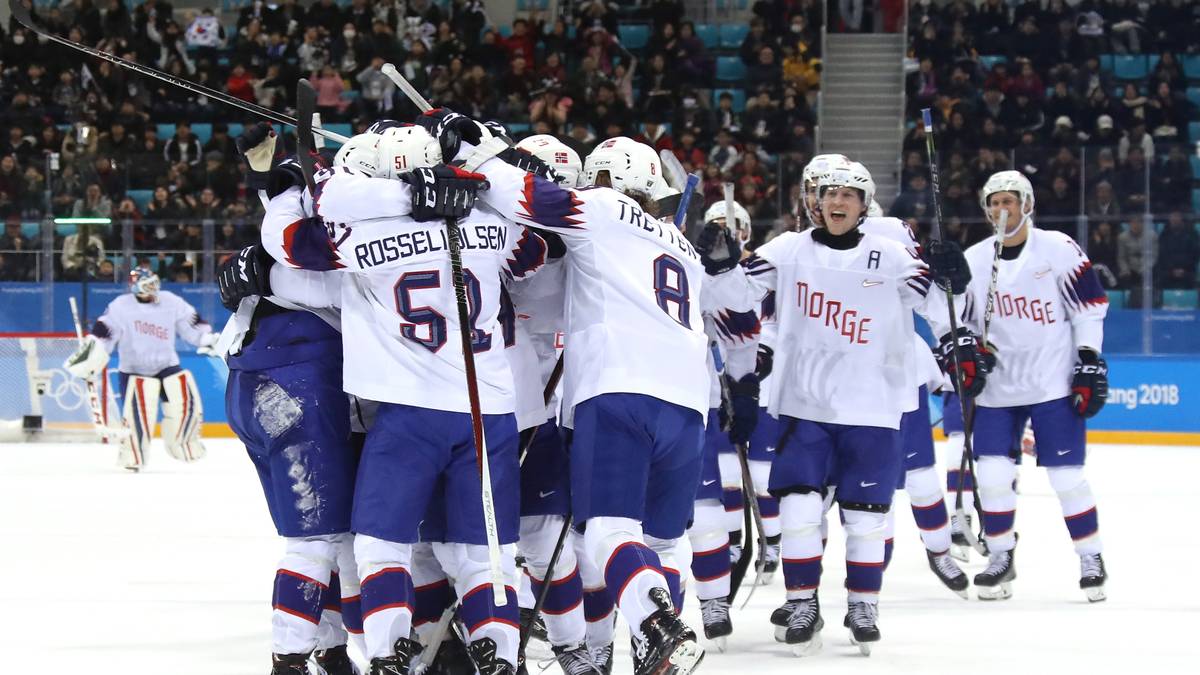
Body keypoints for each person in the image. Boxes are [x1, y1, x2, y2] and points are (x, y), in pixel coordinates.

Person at [252, 121, 546, 675]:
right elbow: (534, 249)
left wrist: (291, 188)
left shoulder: (366, 240)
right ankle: (503, 658)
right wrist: (481, 167)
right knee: (488, 557)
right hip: (490, 413)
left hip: (410, 415)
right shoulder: (490, 224)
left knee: (381, 547)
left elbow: (287, 248)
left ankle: (388, 656)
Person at [436, 114, 708, 675]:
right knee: (660, 544)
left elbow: (525, 196)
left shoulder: (605, 212)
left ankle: (657, 625)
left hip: (619, 389)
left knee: (607, 532)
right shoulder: (686, 249)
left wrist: (478, 147)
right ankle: (652, 646)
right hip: (689, 405)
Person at [699, 159, 977, 656]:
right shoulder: (788, 249)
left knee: (866, 516)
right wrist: (720, 264)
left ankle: (863, 603)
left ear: (864, 205)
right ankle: (802, 601)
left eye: (849, 195)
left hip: (872, 408)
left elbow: (939, 302)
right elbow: (735, 295)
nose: (837, 203)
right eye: (830, 195)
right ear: (818, 203)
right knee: (800, 508)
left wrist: (957, 309)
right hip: (804, 407)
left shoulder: (890, 255)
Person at [216, 124, 362, 675]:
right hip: (301, 381)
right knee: (323, 535)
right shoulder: (364, 227)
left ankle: (328, 650)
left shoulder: (305, 229)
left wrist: (262, 267)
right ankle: (292, 659)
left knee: (326, 533)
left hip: (251, 381)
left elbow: (285, 251)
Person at [928, 170, 1110, 602]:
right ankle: (1001, 556)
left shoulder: (1058, 249)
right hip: (997, 390)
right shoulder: (974, 258)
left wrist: (1088, 359)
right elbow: (952, 319)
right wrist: (962, 338)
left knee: (1067, 477)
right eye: (993, 202)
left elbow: (1089, 307)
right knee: (992, 476)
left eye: (1009, 201)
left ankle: (1091, 556)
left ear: (1027, 204)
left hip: (1052, 383)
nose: (1001, 209)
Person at [64, 266, 218, 470]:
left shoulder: (170, 300)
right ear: (135, 287)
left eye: (155, 283)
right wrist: (92, 353)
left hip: (166, 364)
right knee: (136, 417)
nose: (153, 289)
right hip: (134, 369)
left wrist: (206, 338)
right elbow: (105, 333)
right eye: (147, 286)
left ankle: (186, 446)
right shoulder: (120, 306)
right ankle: (132, 456)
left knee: (185, 402)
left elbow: (190, 323)